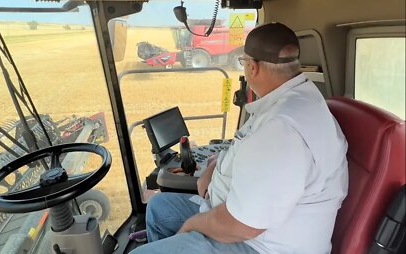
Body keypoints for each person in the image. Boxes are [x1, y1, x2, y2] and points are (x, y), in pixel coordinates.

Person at [130, 22, 348, 254]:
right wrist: (215, 168)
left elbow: (242, 226)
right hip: (239, 216)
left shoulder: (282, 130)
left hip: (259, 245)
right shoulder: (294, 100)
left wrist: (190, 227)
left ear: (252, 67)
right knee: (159, 207)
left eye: (244, 63)